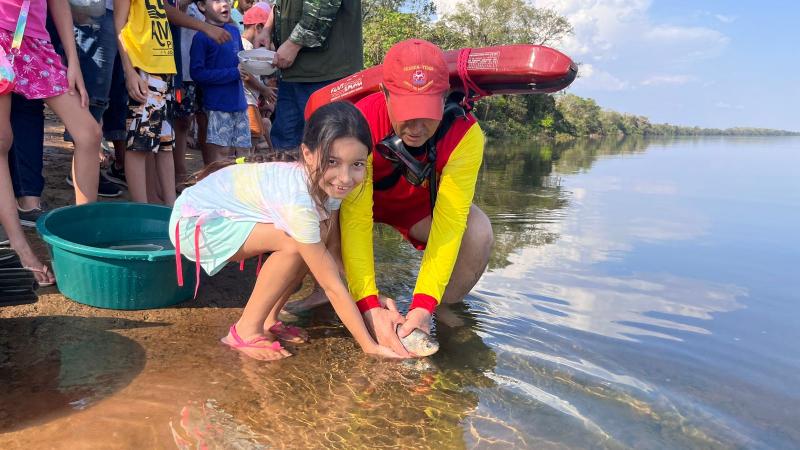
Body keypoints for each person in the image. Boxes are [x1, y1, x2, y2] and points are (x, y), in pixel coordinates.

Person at [169, 102, 400, 361]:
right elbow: (331, 285)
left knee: (313, 243)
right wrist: (369, 346)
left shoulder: (331, 186)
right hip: (194, 225)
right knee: (294, 245)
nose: (345, 178)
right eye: (332, 161)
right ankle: (244, 330)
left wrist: (371, 297)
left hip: (219, 216)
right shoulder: (299, 200)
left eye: (357, 164)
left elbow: (334, 254)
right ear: (308, 154)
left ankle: (268, 319)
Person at [340, 39, 494, 356]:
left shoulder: (466, 135)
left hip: (416, 209)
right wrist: (369, 303)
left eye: (427, 113)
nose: (416, 127)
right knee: (317, 204)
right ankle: (328, 290)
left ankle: (438, 308)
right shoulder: (359, 121)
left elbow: (450, 224)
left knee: (477, 230)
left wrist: (423, 303)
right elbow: (355, 221)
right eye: (407, 111)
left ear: (444, 97)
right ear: (384, 95)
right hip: (356, 201)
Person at [1, 0, 103, 285]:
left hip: (35, 41)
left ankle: (85, 241)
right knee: (1, 141)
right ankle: (20, 248)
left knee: (88, 133)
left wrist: (73, 62)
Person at [114, 0, 231, 206]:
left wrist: (205, 26)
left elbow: (166, 11)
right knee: (139, 144)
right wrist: (129, 71)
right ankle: (140, 210)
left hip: (164, 69)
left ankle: (170, 207)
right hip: (143, 69)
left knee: (166, 143)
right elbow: (119, 26)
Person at [267, 0, 362, 150]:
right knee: (285, 148)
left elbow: (324, 4)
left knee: (326, 146)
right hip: (293, 73)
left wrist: (293, 44)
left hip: (326, 74)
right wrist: (267, 29)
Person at [190, 0, 249, 162]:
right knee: (221, 153)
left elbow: (243, 60)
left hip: (240, 104)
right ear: (202, 6)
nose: (225, 4)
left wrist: (256, 65)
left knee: (244, 152)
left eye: (227, 0)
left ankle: (239, 186)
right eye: (217, 0)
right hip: (217, 106)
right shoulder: (201, 38)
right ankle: (219, 185)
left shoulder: (234, 31)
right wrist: (233, 73)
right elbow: (197, 73)